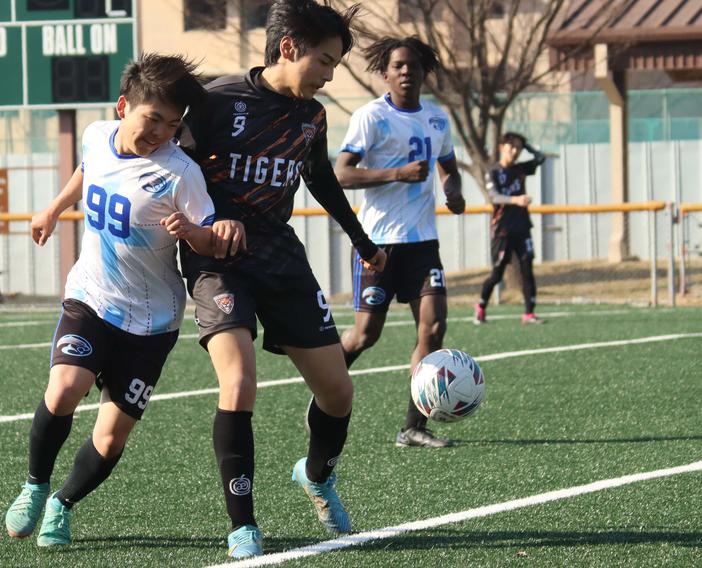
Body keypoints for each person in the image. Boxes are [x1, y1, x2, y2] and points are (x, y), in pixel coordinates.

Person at [3, 53, 245, 548]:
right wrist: (53, 207)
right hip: (91, 297)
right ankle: (34, 485)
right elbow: (88, 168)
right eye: (152, 118)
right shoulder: (95, 135)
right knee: (65, 388)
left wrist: (196, 233)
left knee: (112, 438)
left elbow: (209, 240)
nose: (161, 132)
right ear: (123, 107)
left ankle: (61, 504)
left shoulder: (181, 173)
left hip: (153, 322)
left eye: (173, 125)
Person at [178, 0, 386, 559]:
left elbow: (319, 179)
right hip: (218, 261)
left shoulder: (311, 117)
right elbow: (167, 171)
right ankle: (242, 525)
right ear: (288, 48)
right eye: (324, 60)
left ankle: (316, 476)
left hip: (280, 257)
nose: (330, 75)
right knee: (239, 382)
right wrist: (198, 230)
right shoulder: (217, 102)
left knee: (339, 392)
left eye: (336, 64)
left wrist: (363, 242)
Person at [334, 36, 465, 449]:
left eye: (414, 65)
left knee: (434, 328)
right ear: (385, 73)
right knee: (365, 335)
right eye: (399, 66)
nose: (407, 71)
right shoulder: (371, 117)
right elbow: (341, 174)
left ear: (424, 72)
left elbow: (449, 168)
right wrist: (395, 174)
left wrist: (454, 190)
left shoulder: (438, 118)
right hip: (378, 245)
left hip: (423, 243)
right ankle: (325, 390)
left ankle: (413, 426)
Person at [475, 132, 546, 324]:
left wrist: (527, 145)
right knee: (497, 274)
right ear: (501, 147)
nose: (515, 151)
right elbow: (494, 197)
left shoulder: (520, 169)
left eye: (518, 148)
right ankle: (481, 305)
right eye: (511, 147)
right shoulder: (494, 171)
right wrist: (516, 199)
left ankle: (529, 313)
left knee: (527, 269)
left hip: (522, 227)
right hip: (502, 230)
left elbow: (541, 158)